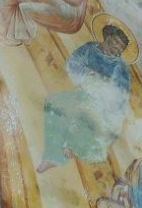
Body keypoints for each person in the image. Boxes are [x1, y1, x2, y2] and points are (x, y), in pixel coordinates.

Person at [36, 19, 134, 170]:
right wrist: (87, 75)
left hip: (102, 105)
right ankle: (53, 156)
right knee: (53, 102)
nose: (117, 48)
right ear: (108, 37)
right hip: (82, 93)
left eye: (121, 47)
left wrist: (101, 86)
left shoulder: (119, 67)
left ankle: (73, 147)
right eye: (116, 42)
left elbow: (119, 95)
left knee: (83, 115)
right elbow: (73, 64)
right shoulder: (90, 48)